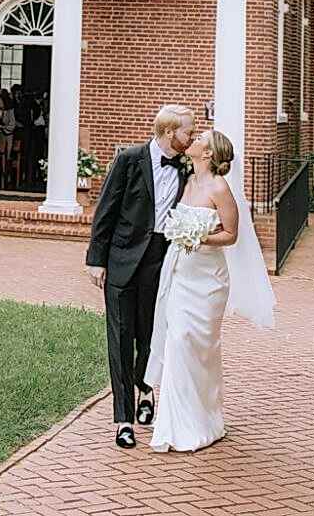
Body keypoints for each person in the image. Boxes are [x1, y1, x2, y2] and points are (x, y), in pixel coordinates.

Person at [145, 129, 276, 453]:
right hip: (179, 275)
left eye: (201, 138)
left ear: (208, 153)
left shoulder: (220, 188)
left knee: (200, 348)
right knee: (177, 341)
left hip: (208, 281)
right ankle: (173, 425)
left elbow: (231, 234)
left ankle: (205, 420)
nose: (194, 140)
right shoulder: (188, 180)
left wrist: (198, 238)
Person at [85, 104, 196, 449]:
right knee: (120, 338)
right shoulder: (129, 160)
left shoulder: (188, 168)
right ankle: (123, 420)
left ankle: (145, 391)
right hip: (120, 259)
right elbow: (106, 209)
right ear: (168, 132)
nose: (191, 138)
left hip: (161, 261)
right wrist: (96, 260)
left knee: (151, 333)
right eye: (187, 132)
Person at [0, 88, 16, 187]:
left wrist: (3, 128)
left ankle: (7, 175)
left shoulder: (10, 111)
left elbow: (12, 124)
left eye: (0, 101)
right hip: (0, 135)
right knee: (0, 153)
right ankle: (0, 175)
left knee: (8, 155)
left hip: (8, 134)